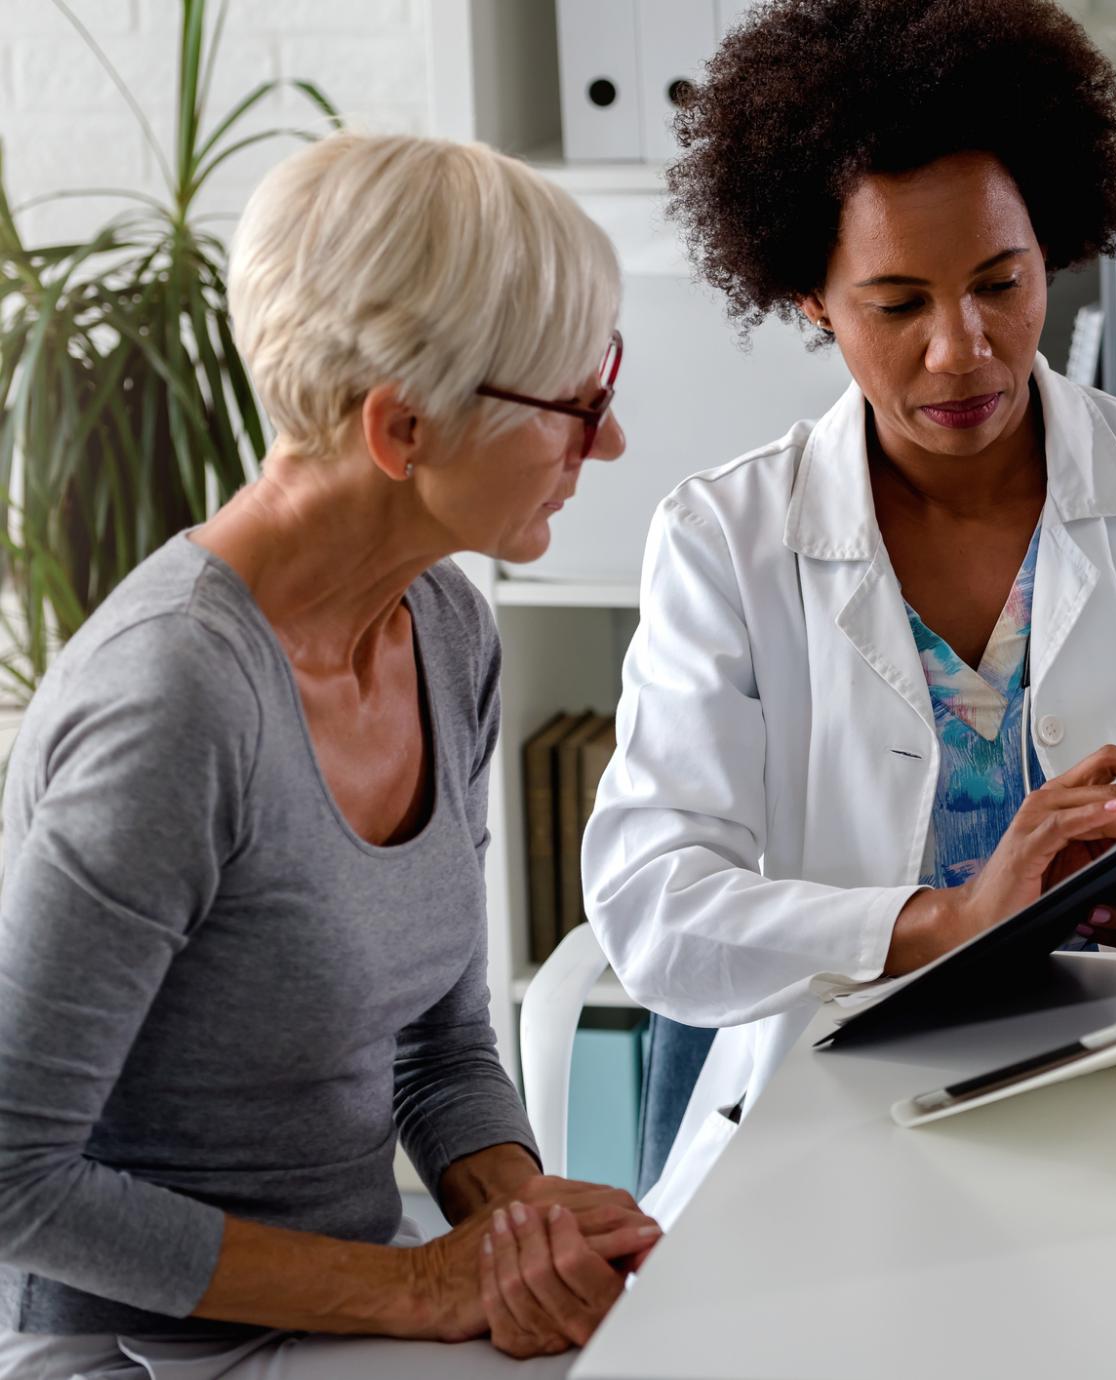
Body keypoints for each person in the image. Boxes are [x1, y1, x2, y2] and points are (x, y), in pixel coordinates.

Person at [583, 0, 1116, 1228]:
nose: (963, 350)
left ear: (1052, 243)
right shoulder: (723, 542)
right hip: (830, 1140)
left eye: (1001, 282)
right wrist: (945, 920)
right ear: (808, 298)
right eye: (896, 304)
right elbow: (655, 911)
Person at [0, 132, 653, 1378]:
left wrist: (514, 1221)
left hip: (340, 1315)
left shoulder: (447, 629)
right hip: (134, 1354)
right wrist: (413, 1289)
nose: (607, 441)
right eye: (576, 402)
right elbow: (12, 1177)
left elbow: (441, 1044)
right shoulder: (172, 705)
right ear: (401, 429)